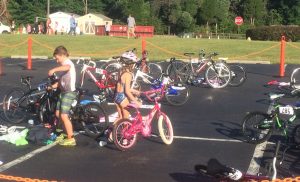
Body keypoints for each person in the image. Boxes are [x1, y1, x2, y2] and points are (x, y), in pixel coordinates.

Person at [48, 46, 77, 146]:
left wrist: (54, 70)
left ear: (63, 55)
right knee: (57, 113)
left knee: (64, 115)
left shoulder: (68, 63)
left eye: (57, 58)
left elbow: (67, 67)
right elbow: (60, 82)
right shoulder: (63, 67)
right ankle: (62, 132)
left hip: (69, 92)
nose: (56, 60)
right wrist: (52, 87)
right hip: (63, 92)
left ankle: (71, 138)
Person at [114, 56, 141, 120]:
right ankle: (119, 129)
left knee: (120, 118)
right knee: (126, 120)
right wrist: (136, 102)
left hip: (116, 96)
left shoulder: (121, 71)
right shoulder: (128, 75)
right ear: (131, 64)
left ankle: (112, 130)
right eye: (134, 64)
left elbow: (122, 86)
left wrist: (135, 91)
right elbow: (127, 91)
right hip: (122, 98)